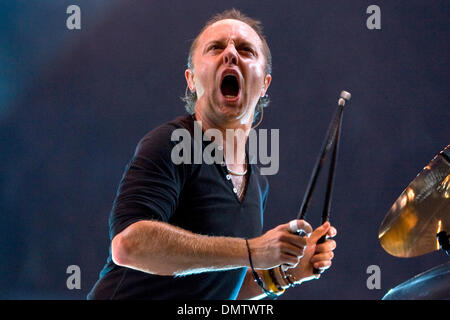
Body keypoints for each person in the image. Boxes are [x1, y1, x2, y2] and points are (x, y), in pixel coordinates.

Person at [87, 9, 337, 300]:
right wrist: (253, 250)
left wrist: (286, 273)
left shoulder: (258, 182)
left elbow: (220, 286)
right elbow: (128, 245)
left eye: (245, 50)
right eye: (216, 47)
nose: (230, 53)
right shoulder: (169, 143)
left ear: (265, 85)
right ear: (191, 79)